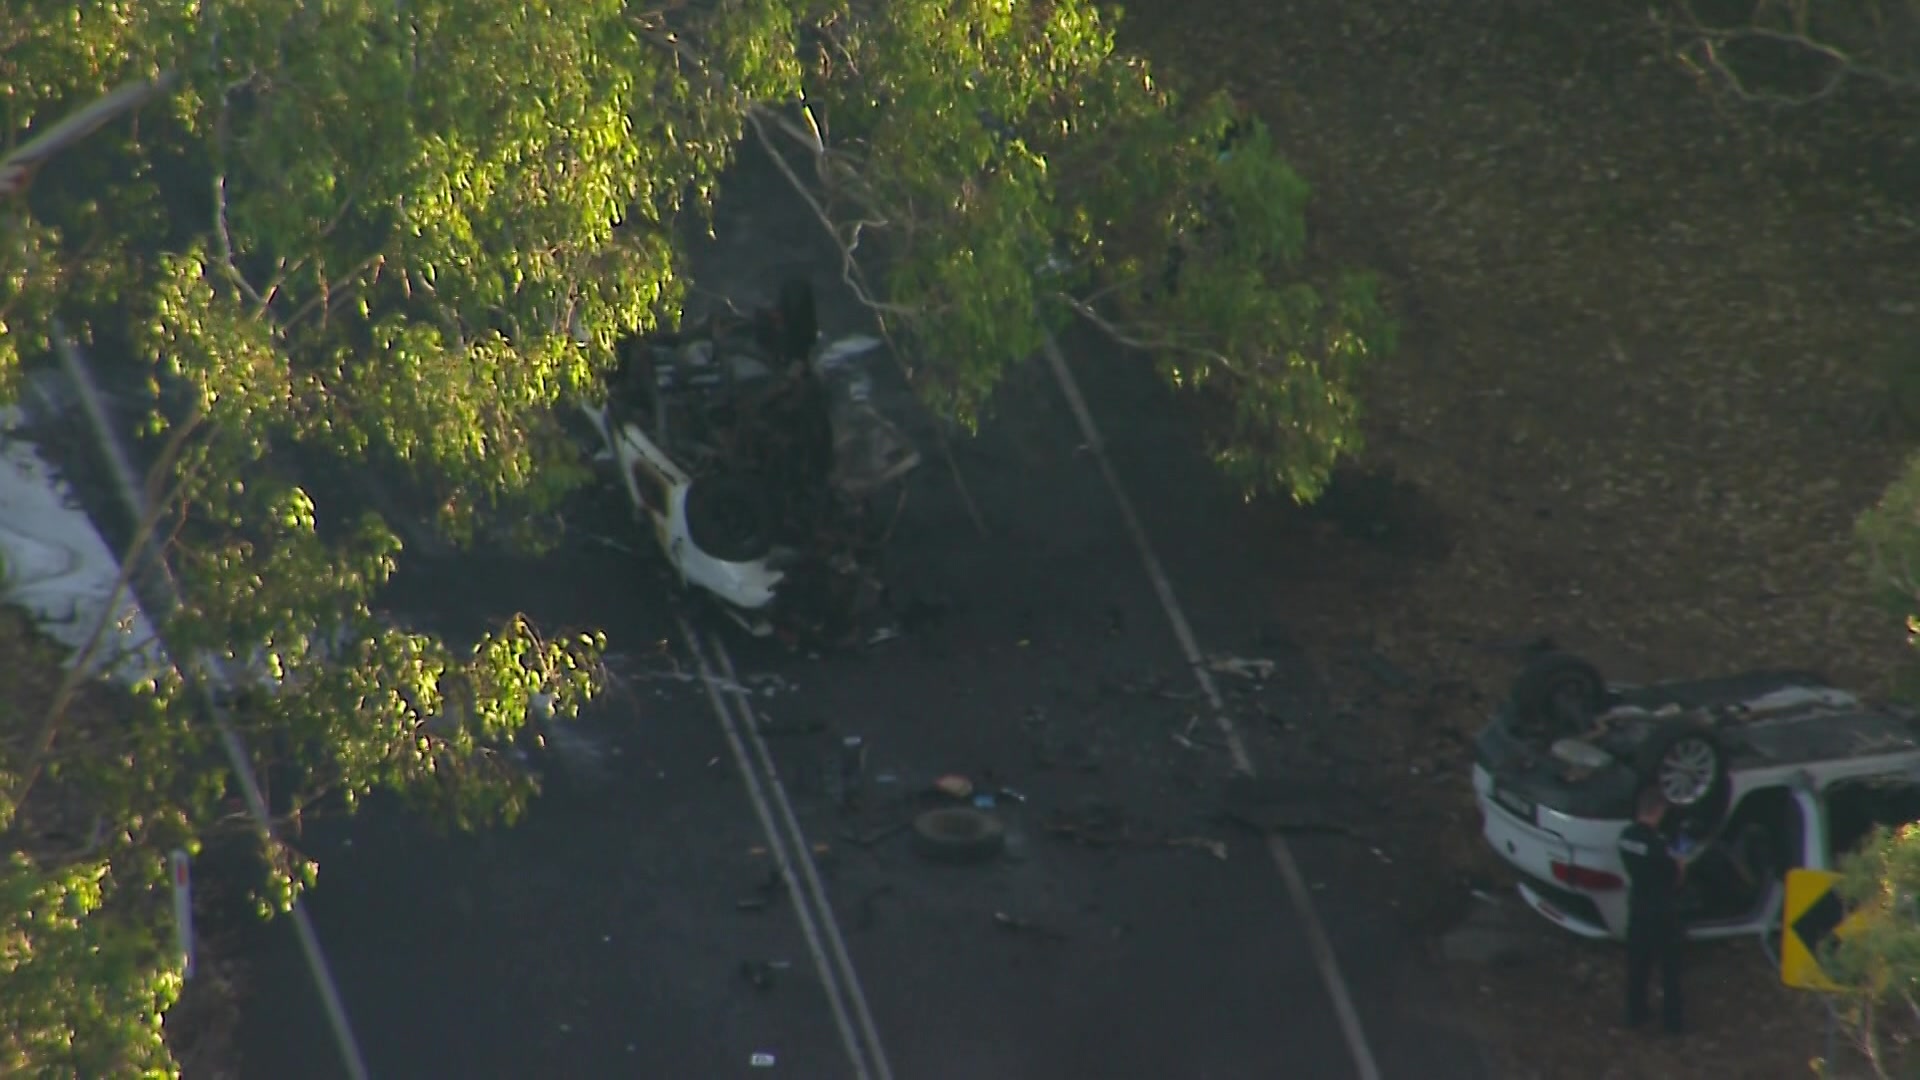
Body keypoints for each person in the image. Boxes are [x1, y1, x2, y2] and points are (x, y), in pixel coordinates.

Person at [1618, 785, 1688, 1034]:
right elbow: (1676, 879)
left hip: (1638, 908)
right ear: (1658, 811)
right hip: (1662, 911)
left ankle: (1635, 1014)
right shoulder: (1660, 847)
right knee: (1670, 969)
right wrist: (1681, 862)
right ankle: (1672, 1024)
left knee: (1638, 966)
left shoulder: (1625, 836)